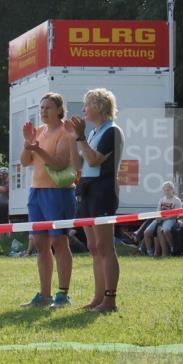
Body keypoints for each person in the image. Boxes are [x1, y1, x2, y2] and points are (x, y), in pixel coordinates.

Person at [67, 88, 125, 313]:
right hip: (88, 191)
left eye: (87, 104)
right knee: (93, 246)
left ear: (99, 107)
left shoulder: (112, 131)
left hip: (103, 191)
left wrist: (80, 137)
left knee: (105, 246)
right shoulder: (92, 133)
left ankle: (110, 299)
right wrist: (73, 138)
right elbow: (78, 165)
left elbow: (93, 160)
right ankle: (98, 297)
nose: (83, 109)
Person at [20, 92, 77, 308]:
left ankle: (63, 294)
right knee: (40, 244)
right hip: (37, 192)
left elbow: (60, 163)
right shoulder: (40, 132)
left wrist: (37, 149)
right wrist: (28, 145)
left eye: (48, 108)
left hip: (58, 193)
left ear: (60, 110)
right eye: (41, 108)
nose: (43, 111)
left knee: (59, 242)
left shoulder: (65, 132)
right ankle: (44, 295)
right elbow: (25, 162)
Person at [140, 181, 181, 257]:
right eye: (165, 190)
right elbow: (158, 211)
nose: (166, 192)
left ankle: (172, 246)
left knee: (166, 230)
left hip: (170, 219)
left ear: (172, 190)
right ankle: (150, 252)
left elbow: (176, 214)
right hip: (160, 218)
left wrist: (165, 218)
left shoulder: (177, 200)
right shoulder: (162, 199)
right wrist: (158, 217)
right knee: (146, 232)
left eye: (168, 190)